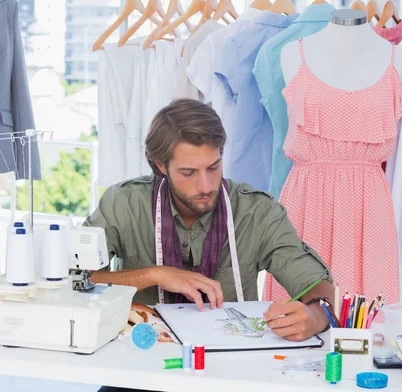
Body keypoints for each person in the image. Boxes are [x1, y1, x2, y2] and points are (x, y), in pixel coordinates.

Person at [85, 99, 334, 392]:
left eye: (213, 167)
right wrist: (154, 274)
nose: (205, 185)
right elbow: (78, 280)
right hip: (142, 367)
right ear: (161, 166)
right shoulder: (124, 203)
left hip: (229, 375)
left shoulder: (257, 211)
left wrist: (316, 315)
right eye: (189, 173)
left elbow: (318, 284)